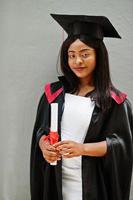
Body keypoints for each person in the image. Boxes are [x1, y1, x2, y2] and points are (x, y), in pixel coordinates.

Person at [30, 14, 133, 200]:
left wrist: (82, 149)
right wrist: (44, 146)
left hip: (91, 184)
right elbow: (41, 131)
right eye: (72, 55)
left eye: (85, 54)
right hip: (56, 180)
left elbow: (121, 145)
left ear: (98, 55)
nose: (78, 61)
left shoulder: (114, 101)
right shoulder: (53, 95)